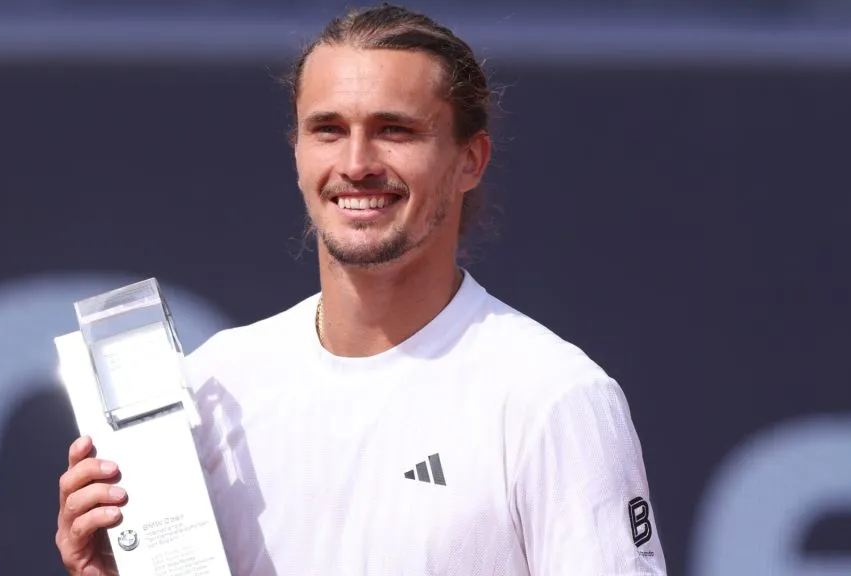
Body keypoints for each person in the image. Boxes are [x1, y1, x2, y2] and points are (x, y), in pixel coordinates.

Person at [55, 4, 667, 575]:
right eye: (327, 129)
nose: (356, 163)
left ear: (469, 161)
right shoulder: (217, 384)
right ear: (297, 153)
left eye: (394, 130)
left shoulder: (552, 396)